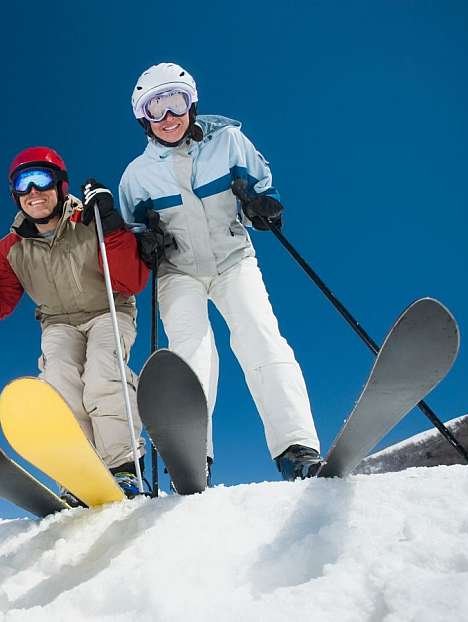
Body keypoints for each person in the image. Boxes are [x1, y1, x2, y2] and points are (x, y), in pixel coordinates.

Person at [118, 63, 323, 481]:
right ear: (143, 118)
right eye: (155, 108)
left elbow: (263, 185)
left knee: (260, 336)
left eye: (175, 103)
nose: (168, 117)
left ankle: (296, 447)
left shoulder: (229, 142)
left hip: (233, 260)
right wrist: (146, 243)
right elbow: (133, 232)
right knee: (190, 352)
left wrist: (263, 206)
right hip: (179, 272)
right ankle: (195, 457)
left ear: (192, 104)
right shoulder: (136, 177)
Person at [0, 146, 150, 501]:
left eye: (41, 180)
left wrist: (110, 225)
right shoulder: (12, 247)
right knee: (59, 379)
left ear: (60, 185)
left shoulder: (87, 221)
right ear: (15, 195)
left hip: (109, 310)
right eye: (22, 184)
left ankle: (123, 469)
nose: (33, 192)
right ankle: (83, 474)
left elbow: (131, 281)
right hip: (58, 323)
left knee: (103, 375)